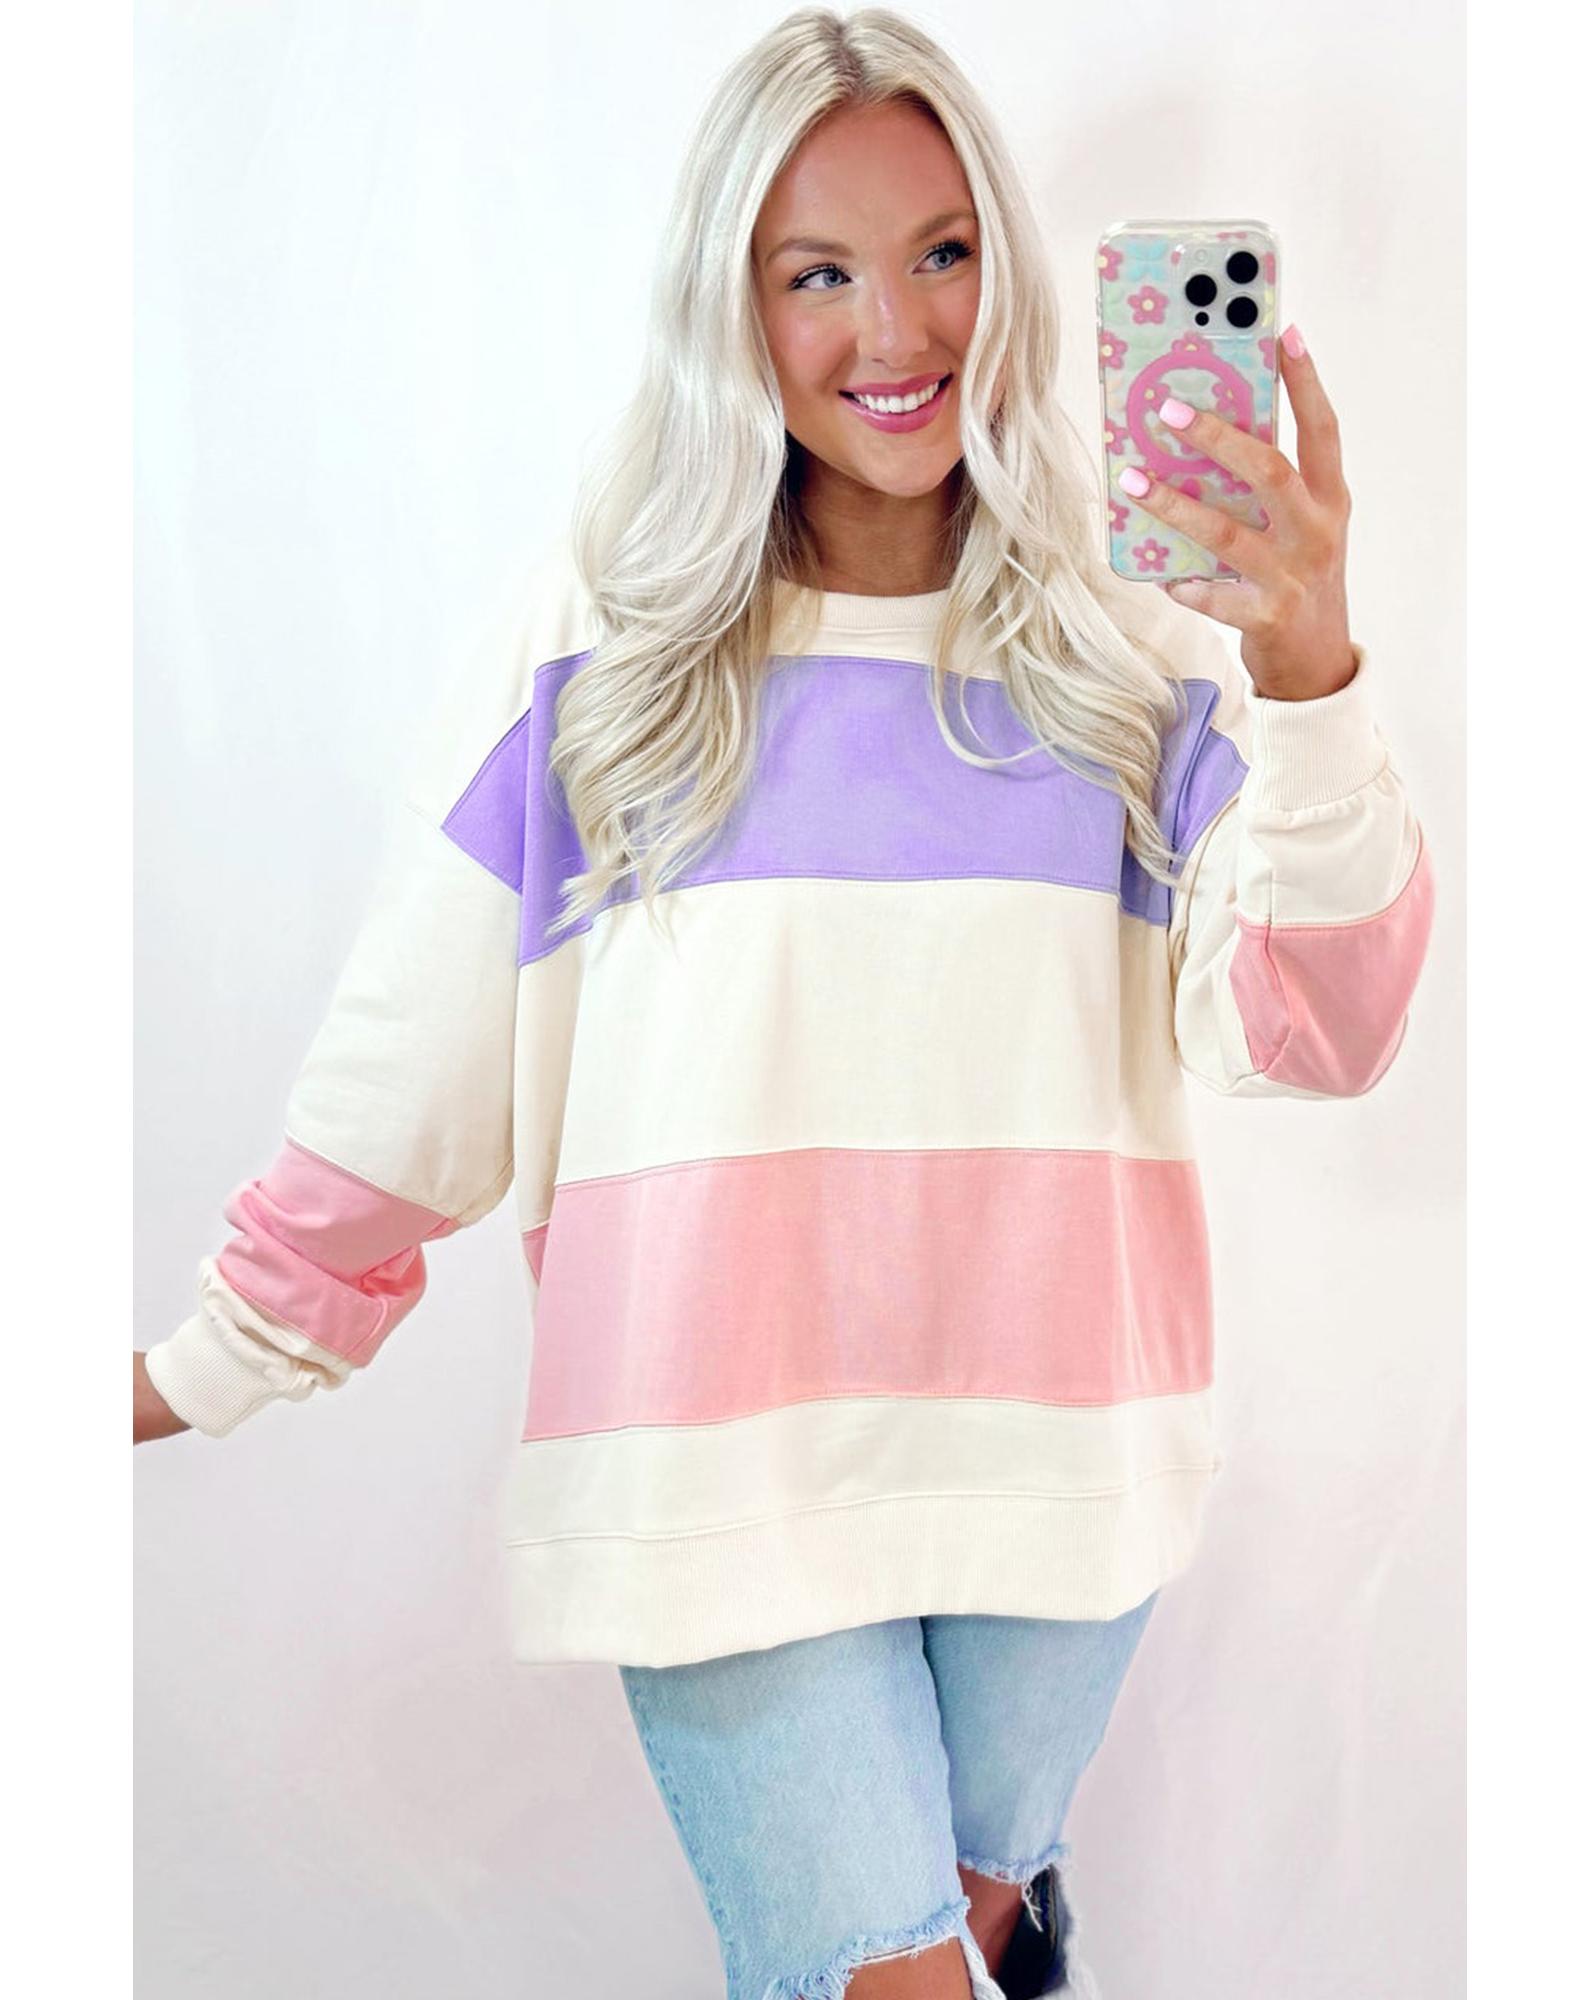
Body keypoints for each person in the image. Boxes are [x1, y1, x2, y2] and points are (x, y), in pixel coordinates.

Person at [134, 9, 1436, 1997]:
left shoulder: (1137, 642)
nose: (891, 330)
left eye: (940, 252)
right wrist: (204, 1361)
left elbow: (1317, 1030)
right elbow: (421, 1042)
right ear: (726, 306)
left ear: (1009, 266)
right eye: (813, 272)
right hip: (711, 1474)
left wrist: (1310, 667)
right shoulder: (608, 635)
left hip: (1059, 1471)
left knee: (977, 1949)